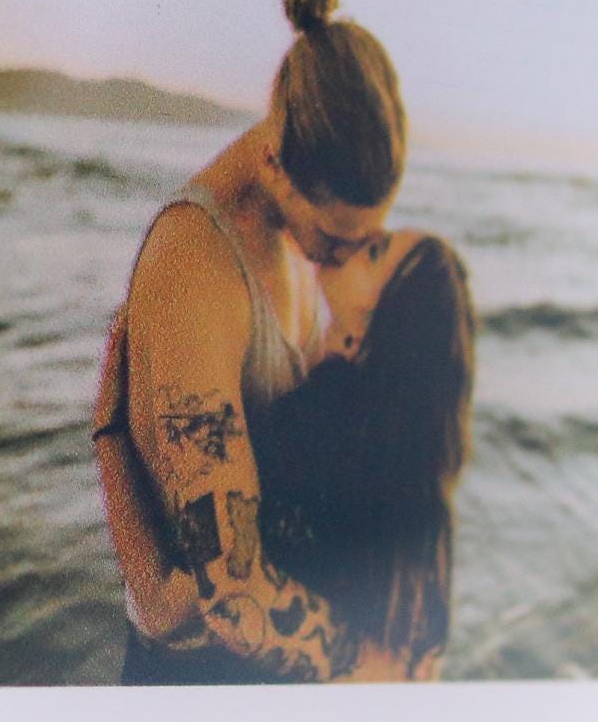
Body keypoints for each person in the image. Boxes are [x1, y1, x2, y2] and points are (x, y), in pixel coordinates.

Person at [90, 0, 406, 683]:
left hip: (278, 660)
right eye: (335, 240)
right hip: (205, 692)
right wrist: (370, 670)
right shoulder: (195, 269)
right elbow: (233, 600)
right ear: (273, 165)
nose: (347, 263)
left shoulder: (293, 225)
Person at [108, 229, 477, 680]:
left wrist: (109, 434)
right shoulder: (415, 497)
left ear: (366, 335)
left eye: (375, 252)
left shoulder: (316, 426)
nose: (361, 237)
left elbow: (173, 605)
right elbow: (412, 667)